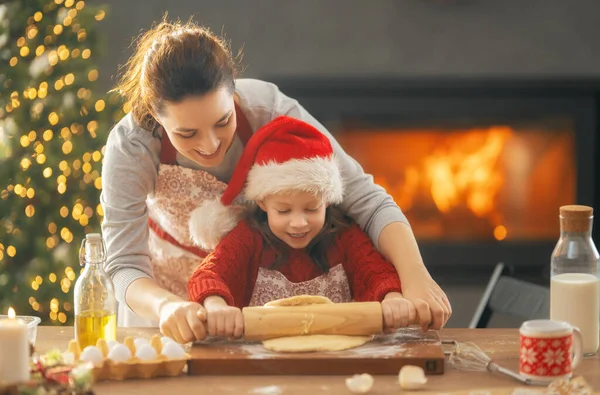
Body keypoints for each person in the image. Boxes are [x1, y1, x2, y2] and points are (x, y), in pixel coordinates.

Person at [101, 17, 451, 344]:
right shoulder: (130, 148)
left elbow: (369, 202)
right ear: (156, 116)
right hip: (161, 313)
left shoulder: (270, 111)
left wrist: (415, 277)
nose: (210, 145)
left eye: (223, 121)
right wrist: (166, 307)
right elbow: (124, 264)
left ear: (233, 90)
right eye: (187, 133)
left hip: (245, 317)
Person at [187, 116, 417, 338]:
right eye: (284, 211)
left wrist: (392, 298)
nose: (299, 223)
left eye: (311, 209)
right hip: (264, 361)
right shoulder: (247, 238)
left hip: (340, 359)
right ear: (262, 202)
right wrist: (215, 305)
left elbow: (377, 274)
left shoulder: (345, 237)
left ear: (327, 201)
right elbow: (208, 275)